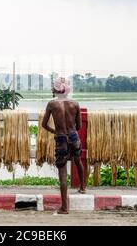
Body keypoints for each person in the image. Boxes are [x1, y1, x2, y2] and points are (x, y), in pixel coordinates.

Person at [41, 77, 86, 214]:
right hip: (74, 137)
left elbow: (44, 124)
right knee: (78, 161)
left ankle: (64, 207)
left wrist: (55, 131)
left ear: (55, 90)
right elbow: (79, 126)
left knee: (62, 171)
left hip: (61, 138)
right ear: (67, 90)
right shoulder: (75, 104)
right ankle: (83, 187)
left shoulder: (52, 104)